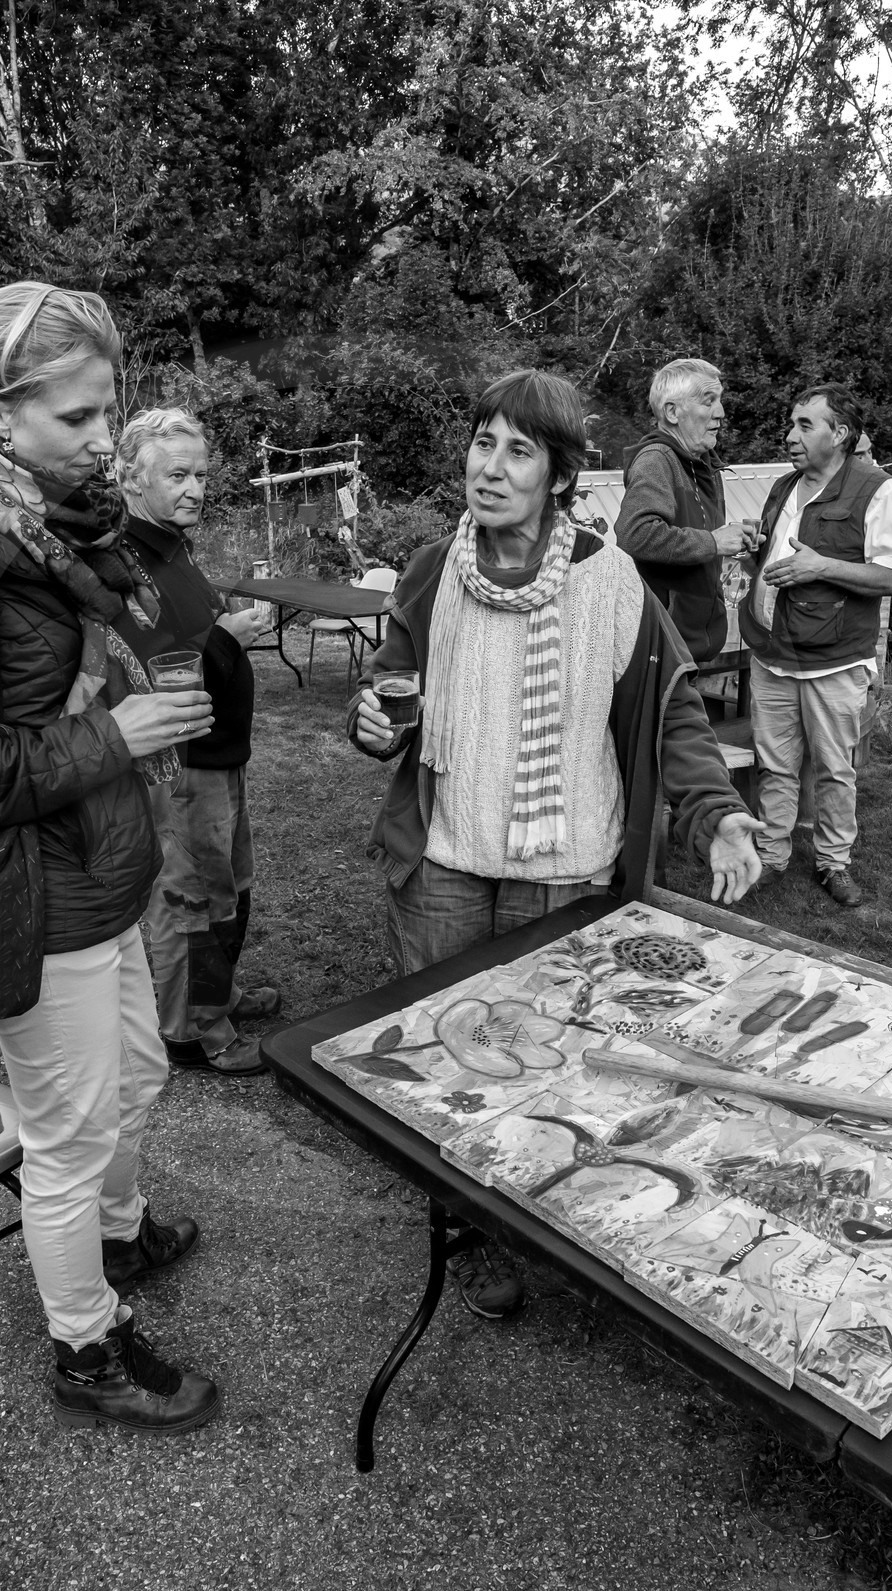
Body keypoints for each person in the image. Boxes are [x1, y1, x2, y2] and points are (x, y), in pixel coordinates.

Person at [0, 282, 222, 1434]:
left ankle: (117, 1233)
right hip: (37, 893)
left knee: (138, 1078)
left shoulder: (50, 524)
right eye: (77, 417)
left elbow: (59, 674)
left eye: (106, 408)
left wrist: (117, 704)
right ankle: (86, 1343)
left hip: (97, 871)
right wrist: (112, 736)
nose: (104, 437)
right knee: (68, 1134)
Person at [350, 368, 763, 1319]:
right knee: (446, 1069)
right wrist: (373, 721)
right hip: (445, 865)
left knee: (554, 1067)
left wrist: (714, 811)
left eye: (519, 451)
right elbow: (391, 689)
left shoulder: (606, 580)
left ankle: (548, 1211)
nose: (490, 469)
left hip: (567, 877)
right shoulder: (430, 570)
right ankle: (468, 1229)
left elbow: (672, 712)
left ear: (563, 478)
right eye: (482, 443)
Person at [114, 407, 278, 1077]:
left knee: (229, 885)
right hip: (181, 762)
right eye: (177, 475)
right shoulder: (124, 561)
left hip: (217, 752)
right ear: (132, 478)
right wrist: (225, 638)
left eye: (201, 475)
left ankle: (219, 996)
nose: (195, 489)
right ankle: (193, 1030)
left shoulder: (170, 547)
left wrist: (219, 631)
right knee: (192, 900)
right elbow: (147, 666)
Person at [740, 385, 892, 908]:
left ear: (839, 434)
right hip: (772, 652)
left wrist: (822, 567)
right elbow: (770, 558)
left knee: (835, 770)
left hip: (834, 660)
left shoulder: (878, 491)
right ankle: (771, 855)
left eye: (804, 425)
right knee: (774, 764)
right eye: (792, 424)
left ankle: (833, 862)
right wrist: (753, 548)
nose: (790, 436)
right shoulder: (784, 486)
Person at [614, 358, 757, 662]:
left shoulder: (704, 465)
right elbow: (634, 535)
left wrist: (731, 539)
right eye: (708, 401)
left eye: (719, 400)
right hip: (662, 651)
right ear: (672, 412)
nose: (720, 412)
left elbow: (697, 536)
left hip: (692, 647)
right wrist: (714, 542)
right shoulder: (656, 460)